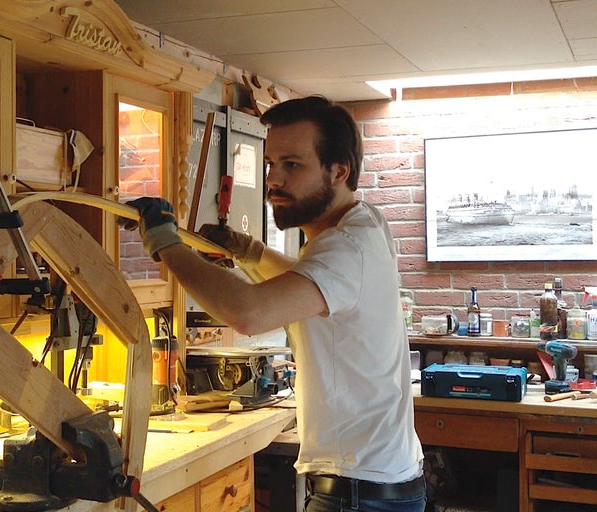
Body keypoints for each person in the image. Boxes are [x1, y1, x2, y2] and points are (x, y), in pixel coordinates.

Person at [123, 96, 425, 512]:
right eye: (270, 164)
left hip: (358, 491)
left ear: (339, 170)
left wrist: (165, 243)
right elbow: (307, 281)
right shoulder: (364, 223)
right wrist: (247, 251)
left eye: (292, 165)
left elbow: (250, 312)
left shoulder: (346, 247)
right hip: (378, 481)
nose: (273, 179)